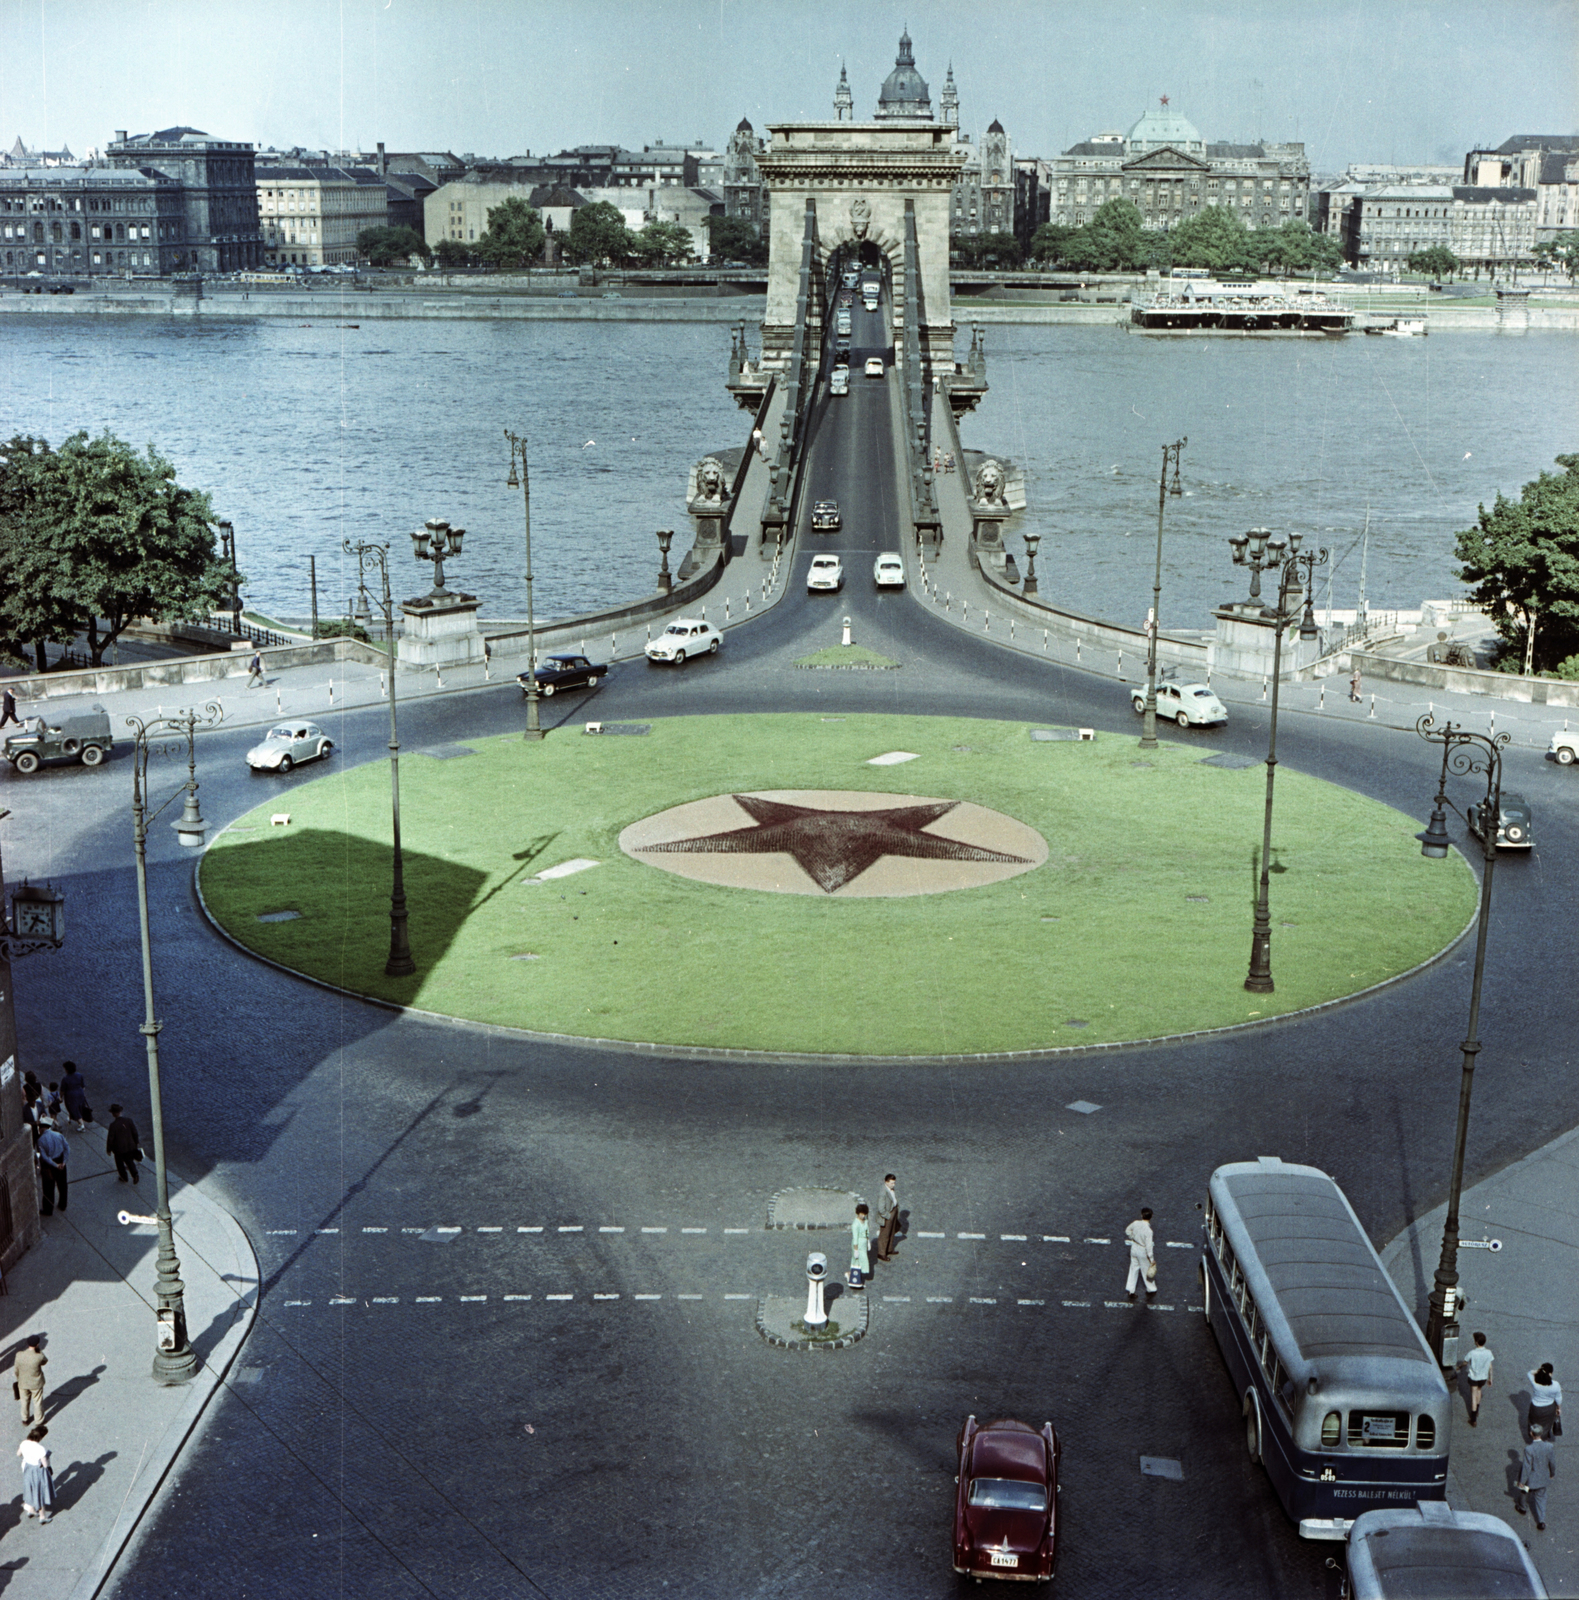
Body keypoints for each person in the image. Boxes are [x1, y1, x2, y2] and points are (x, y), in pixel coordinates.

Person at [1516, 1423, 1555, 1530]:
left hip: (1530, 1480)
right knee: (1541, 1499)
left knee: (1524, 1491)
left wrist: (1522, 1481)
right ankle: (1541, 1521)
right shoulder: (1549, 1446)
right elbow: (1552, 1463)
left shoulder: (1529, 1449)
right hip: (1543, 1478)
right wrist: (1552, 1473)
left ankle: (1522, 1507)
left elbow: (1526, 1467)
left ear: (1531, 1434)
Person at [17, 1425, 51, 1523]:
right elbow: (44, 1464)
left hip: (27, 1468)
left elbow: (18, 1454)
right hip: (37, 1471)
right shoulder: (40, 1448)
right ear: (40, 1437)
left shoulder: (24, 1443)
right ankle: (42, 1517)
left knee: (30, 1489)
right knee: (40, 1493)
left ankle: (31, 1510)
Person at [1459, 1331, 1494, 1426]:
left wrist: (1460, 1366)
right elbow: (1490, 1367)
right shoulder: (1488, 1352)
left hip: (1474, 1377)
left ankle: (1473, 1419)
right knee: (1479, 1391)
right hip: (1483, 1377)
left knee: (1473, 1396)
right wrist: (1490, 1378)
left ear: (1476, 1342)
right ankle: (1477, 1410)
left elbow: (1465, 1362)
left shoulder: (1472, 1353)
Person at [36, 1120, 67, 1215]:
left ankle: (48, 1210)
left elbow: (43, 1157)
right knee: (62, 1185)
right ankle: (62, 1205)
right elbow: (66, 1148)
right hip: (60, 1162)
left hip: (49, 1166)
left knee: (48, 1189)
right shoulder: (58, 1135)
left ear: (41, 1129)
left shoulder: (41, 1140)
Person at [105, 1105, 142, 1185]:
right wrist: (136, 1142)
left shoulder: (113, 1125)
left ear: (113, 1114)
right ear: (120, 1112)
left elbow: (110, 1138)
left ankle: (124, 1177)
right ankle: (135, 1175)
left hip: (119, 1149)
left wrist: (109, 1149)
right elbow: (134, 1132)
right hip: (130, 1146)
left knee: (119, 1164)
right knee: (130, 1161)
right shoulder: (129, 1120)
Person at [1125, 1207, 1156, 1301]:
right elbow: (1149, 1247)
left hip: (1134, 1247)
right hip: (1143, 1251)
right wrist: (1151, 1259)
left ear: (1141, 1215)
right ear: (1151, 1217)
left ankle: (1131, 1290)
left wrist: (1133, 1237)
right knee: (1146, 1271)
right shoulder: (1149, 1231)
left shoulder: (1135, 1223)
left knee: (1133, 1269)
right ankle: (1151, 1288)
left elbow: (1127, 1231)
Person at [14, 1337, 46, 1427]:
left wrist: (19, 1379)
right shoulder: (39, 1356)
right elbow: (44, 1361)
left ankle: (25, 1419)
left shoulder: (19, 1355)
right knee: (37, 1402)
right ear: (37, 1345)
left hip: (23, 1383)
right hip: (36, 1383)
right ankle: (39, 1421)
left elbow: (16, 1370)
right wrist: (38, 1351)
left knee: (24, 1401)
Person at [1528, 1364, 1562, 1439]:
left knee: (1534, 1422)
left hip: (1535, 1408)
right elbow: (1558, 1398)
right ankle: (1544, 1436)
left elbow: (1530, 1373)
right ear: (1551, 1374)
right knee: (1547, 1423)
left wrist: (1539, 1370)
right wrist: (1558, 1408)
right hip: (1549, 1408)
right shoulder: (1555, 1385)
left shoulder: (1535, 1383)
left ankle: (1534, 1436)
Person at [874, 1174, 899, 1263]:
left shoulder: (890, 1189)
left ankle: (889, 1249)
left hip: (892, 1212)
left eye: (894, 1183)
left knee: (891, 1232)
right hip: (887, 1216)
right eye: (892, 1183)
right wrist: (888, 1216)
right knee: (884, 1235)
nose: (894, 1185)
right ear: (886, 1182)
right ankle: (881, 1253)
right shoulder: (883, 1192)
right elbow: (881, 1209)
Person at [59, 1062, 88, 1131]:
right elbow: (83, 1086)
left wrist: (60, 1097)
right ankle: (71, 1117)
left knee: (73, 1108)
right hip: (80, 1093)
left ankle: (81, 1124)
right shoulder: (79, 1075)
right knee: (80, 1106)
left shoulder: (65, 1078)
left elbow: (62, 1090)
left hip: (70, 1095)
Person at [848, 1203, 871, 1291]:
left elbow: (867, 1231)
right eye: (861, 1214)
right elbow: (855, 1238)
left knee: (861, 1262)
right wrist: (856, 1250)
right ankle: (857, 1280)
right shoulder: (855, 1224)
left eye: (864, 1214)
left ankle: (858, 1279)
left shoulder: (865, 1221)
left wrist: (868, 1241)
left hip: (864, 1244)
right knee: (858, 1262)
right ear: (858, 1213)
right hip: (858, 1245)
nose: (863, 1216)